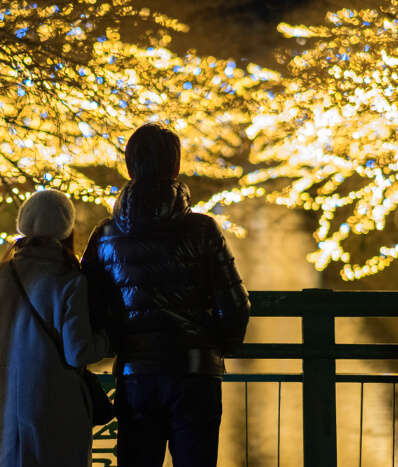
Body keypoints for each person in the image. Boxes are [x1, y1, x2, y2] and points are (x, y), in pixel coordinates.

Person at [81, 123, 251, 467]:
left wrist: (119, 338)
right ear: (175, 167)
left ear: (130, 167)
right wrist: (216, 347)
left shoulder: (106, 234)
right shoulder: (202, 229)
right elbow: (235, 306)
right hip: (194, 371)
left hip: (136, 373)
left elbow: (88, 305)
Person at [0, 189, 110, 467]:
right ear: (65, 230)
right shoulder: (70, 280)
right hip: (56, 411)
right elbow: (77, 352)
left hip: (4, 411)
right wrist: (105, 340)